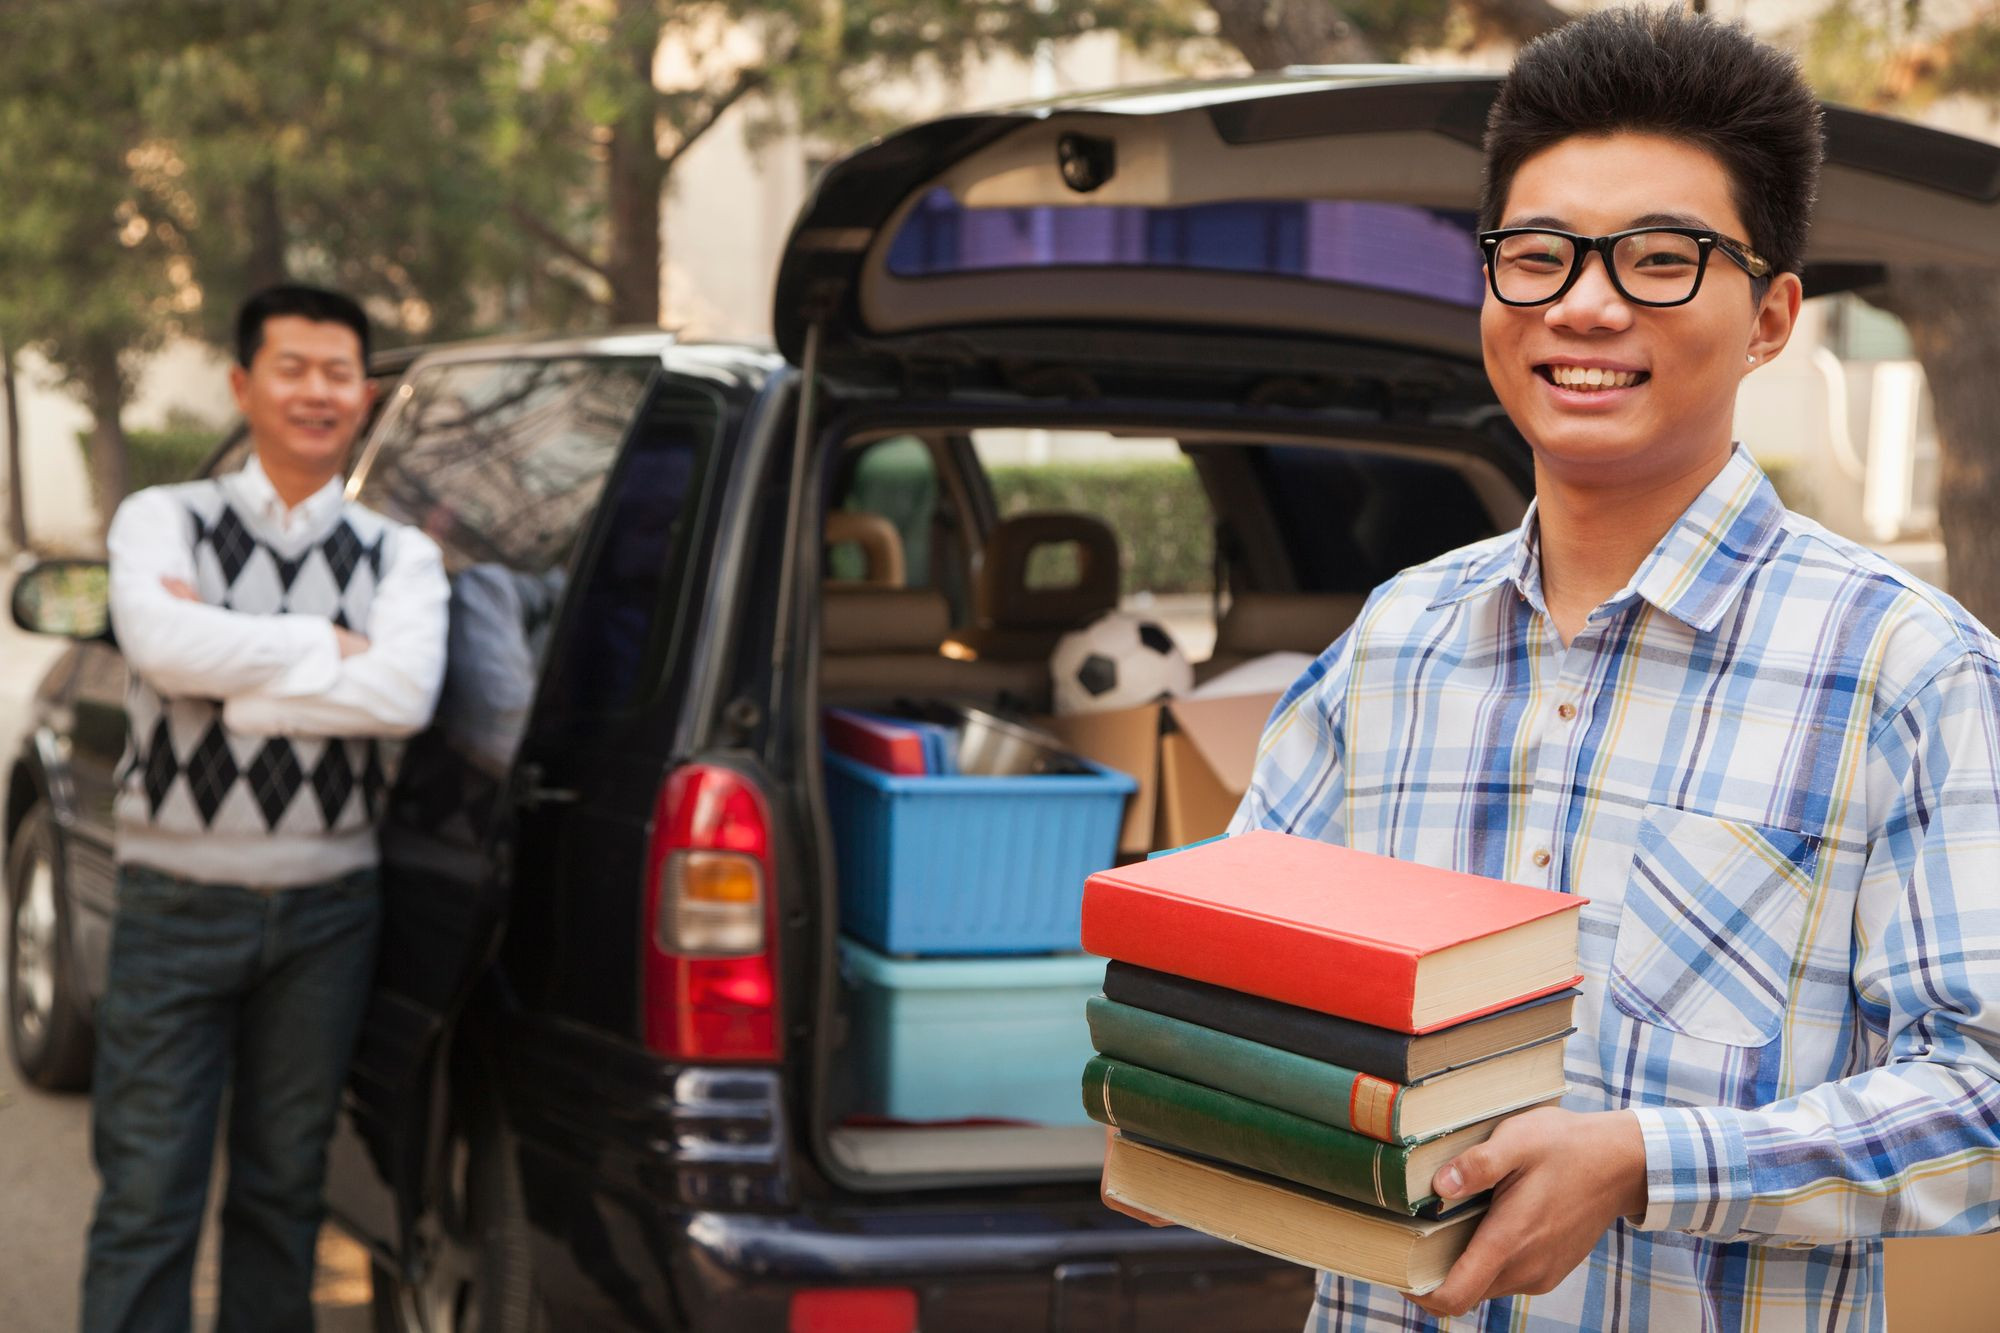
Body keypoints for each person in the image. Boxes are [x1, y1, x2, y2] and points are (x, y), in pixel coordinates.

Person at [1211, 9, 2000, 1330]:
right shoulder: (1395, 643)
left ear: (1771, 317)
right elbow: (1242, 981)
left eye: (1659, 259)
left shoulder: (1906, 674)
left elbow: (1982, 1102)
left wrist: (1646, 1163)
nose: (1584, 302)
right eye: (1538, 255)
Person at [82, 284, 448, 1332]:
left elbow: (404, 696)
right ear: (245, 385)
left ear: (366, 395)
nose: (317, 391)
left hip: (328, 911)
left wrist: (230, 676)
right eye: (293, 368)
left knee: (284, 1196)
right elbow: (157, 646)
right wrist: (324, 649)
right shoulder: (164, 519)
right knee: (148, 1195)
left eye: (338, 373)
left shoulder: (400, 555)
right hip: (174, 905)